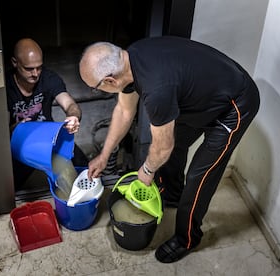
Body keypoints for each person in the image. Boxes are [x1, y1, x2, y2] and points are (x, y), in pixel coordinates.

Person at [79, 36, 260, 263]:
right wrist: (104, 156)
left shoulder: (157, 90)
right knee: (174, 148)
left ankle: (187, 239)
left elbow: (162, 147)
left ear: (109, 81)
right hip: (201, 97)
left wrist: (146, 170)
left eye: (96, 88)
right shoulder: (130, 60)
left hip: (234, 104)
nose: (99, 91)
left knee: (199, 177)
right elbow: (124, 112)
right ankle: (173, 195)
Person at [6, 38, 88, 190]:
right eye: (29, 69)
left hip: (49, 136)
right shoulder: (5, 86)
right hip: (21, 141)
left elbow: (70, 104)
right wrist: (13, 129)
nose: (35, 73)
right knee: (8, 186)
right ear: (14, 62)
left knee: (83, 166)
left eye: (39, 68)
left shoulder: (49, 78)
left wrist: (73, 116)